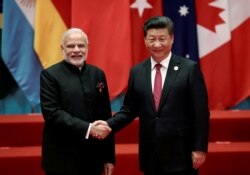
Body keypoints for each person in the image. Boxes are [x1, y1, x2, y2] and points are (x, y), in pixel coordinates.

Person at [94, 16, 210, 175]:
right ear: (145, 40)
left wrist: (200, 148)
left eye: (162, 39)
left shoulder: (189, 69)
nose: (157, 44)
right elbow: (129, 109)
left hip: (181, 153)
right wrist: (108, 125)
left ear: (172, 38)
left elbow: (201, 112)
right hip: (151, 153)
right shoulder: (137, 72)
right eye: (152, 39)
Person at [40, 28, 115, 175]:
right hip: (61, 159)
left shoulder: (97, 74)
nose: (76, 50)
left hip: (93, 159)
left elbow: (105, 117)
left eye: (81, 45)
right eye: (70, 46)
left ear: (87, 47)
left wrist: (108, 157)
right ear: (62, 48)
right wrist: (89, 128)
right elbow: (52, 113)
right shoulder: (49, 75)